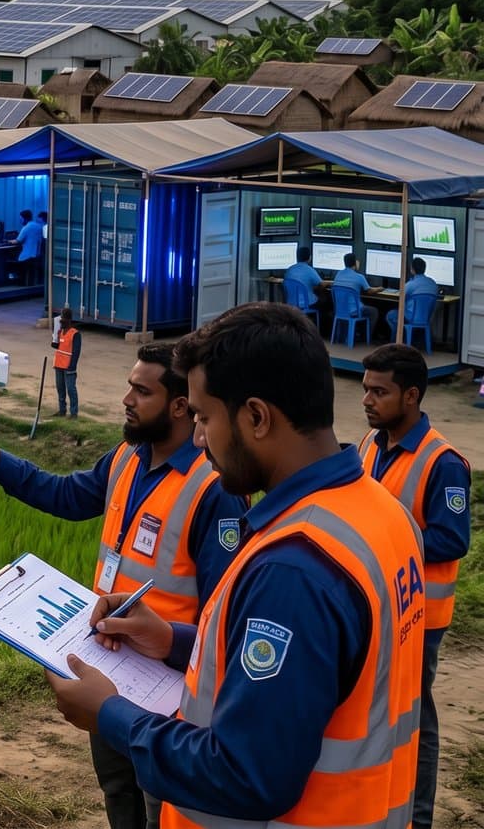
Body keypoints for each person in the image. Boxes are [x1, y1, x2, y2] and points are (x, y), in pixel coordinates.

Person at [48, 302, 425, 829]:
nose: (198, 438)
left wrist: (111, 715)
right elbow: (321, 678)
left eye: (204, 418)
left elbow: (248, 774)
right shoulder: (382, 514)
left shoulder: (295, 569)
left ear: (256, 416)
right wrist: (173, 640)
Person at [0, 341, 245, 829]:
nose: (126, 400)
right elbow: (69, 495)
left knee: (160, 802)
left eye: (141, 391)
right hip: (108, 665)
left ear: (180, 406)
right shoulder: (128, 458)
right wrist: (0, 461)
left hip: (169, 688)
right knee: (117, 789)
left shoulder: (213, 490)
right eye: (129, 387)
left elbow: (226, 612)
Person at [359, 343, 470, 829]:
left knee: (414, 719)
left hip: (418, 617)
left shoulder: (443, 462)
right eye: (365, 389)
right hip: (375, 606)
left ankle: (416, 816)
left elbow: (451, 538)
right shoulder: (369, 447)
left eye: (379, 392)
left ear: (411, 396)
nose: (367, 400)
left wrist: (384, 541)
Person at [385, 257, 439, 337]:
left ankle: (396, 340)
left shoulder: (411, 284)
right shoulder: (433, 283)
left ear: (412, 270)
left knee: (390, 315)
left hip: (410, 317)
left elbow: (400, 296)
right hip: (426, 318)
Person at [52, 307, 82, 418]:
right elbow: (55, 346)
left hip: (69, 366)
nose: (61, 322)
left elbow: (76, 352)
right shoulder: (60, 332)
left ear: (68, 320)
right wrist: (54, 334)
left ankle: (74, 413)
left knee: (71, 389)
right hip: (58, 364)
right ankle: (62, 410)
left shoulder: (75, 334)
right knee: (60, 389)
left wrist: (72, 366)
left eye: (63, 320)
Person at [283, 245, 321, 314]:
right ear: (310, 257)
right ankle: (316, 324)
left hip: (291, 303)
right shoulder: (309, 270)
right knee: (324, 302)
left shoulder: (289, 269)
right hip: (306, 304)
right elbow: (320, 284)